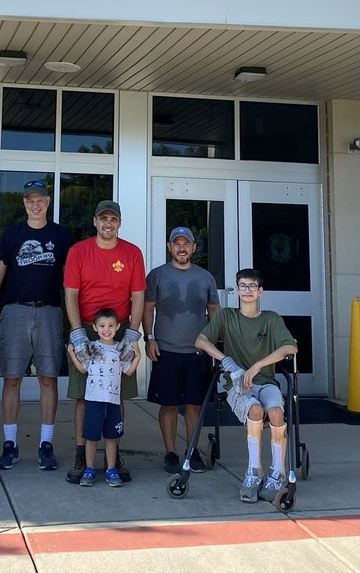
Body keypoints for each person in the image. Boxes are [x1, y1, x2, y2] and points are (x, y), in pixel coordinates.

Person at [0, 179, 73, 472]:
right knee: (12, 379)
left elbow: (69, 281)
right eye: (30, 200)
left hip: (49, 312)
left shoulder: (61, 236)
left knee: (48, 378)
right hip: (15, 312)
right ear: (24, 203)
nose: (35, 205)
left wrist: (76, 319)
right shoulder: (12, 234)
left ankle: (45, 444)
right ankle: (9, 444)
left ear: (48, 202)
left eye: (40, 200)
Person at [194, 268, 297, 503]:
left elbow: (290, 347)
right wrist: (226, 360)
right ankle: (253, 472)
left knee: (276, 412)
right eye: (243, 286)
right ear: (237, 290)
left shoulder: (271, 318)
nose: (247, 290)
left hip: (266, 381)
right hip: (237, 383)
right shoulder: (226, 316)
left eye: (252, 286)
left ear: (260, 291)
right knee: (255, 411)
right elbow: (201, 340)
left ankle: (278, 473)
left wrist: (259, 364)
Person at [63, 199, 145, 484]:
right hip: (86, 328)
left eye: (113, 219)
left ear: (119, 222)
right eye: (103, 219)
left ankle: (114, 454)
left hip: (120, 329)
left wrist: (132, 333)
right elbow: (71, 294)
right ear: (95, 222)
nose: (108, 224)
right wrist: (77, 332)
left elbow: (138, 296)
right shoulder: (78, 251)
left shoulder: (133, 253)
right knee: (83, 396)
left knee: (117, 396)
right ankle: (80, 454)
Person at [143, 226, 220, 475]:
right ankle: (171, 453)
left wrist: (214, 347)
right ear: (169, 247)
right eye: (176, 243)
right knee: (169, 405)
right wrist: (149, 338)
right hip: (166, 350)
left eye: (186, 243)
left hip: (197, 352)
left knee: (194, 406)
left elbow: (214, 313)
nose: (181, 248)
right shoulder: (157, 276)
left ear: (194, 247)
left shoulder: (206, 277)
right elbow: (147, 309)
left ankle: (192, 451)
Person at [65, 307, 141, 487]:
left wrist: (138, 356)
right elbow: (83, 369)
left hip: (113, 401)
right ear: (94, 327)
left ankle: (111, 469)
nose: (106, 330)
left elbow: (128, 372)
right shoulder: (91, 348)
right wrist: (72, 354)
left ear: (117, 327)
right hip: (93, 401)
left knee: (111, 437)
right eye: (102, 326)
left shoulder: (120, 350)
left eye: (110, 326)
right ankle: (90, 468)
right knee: (91, 437)